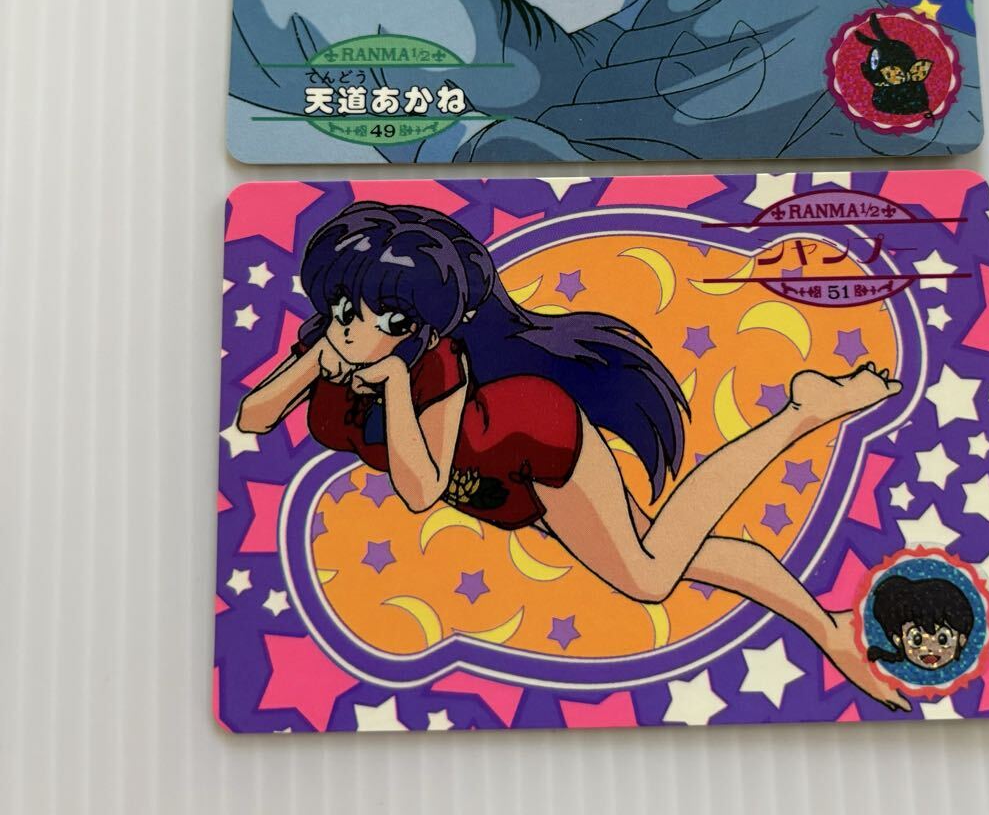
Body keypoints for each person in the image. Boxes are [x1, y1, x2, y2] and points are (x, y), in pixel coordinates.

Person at [237, 201, 911, 710]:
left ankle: (801, 415)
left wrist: (389, 382)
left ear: (424, 328)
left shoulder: (435, 366)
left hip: (530, 443)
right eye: (346, 308)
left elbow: (421, 488)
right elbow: (254, 415)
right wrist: (314, 362)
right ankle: (830, 626)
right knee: (676, 552)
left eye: (391, 321)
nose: (358, 330)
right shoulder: (331, 343)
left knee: (648, 574)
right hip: (498, 489)